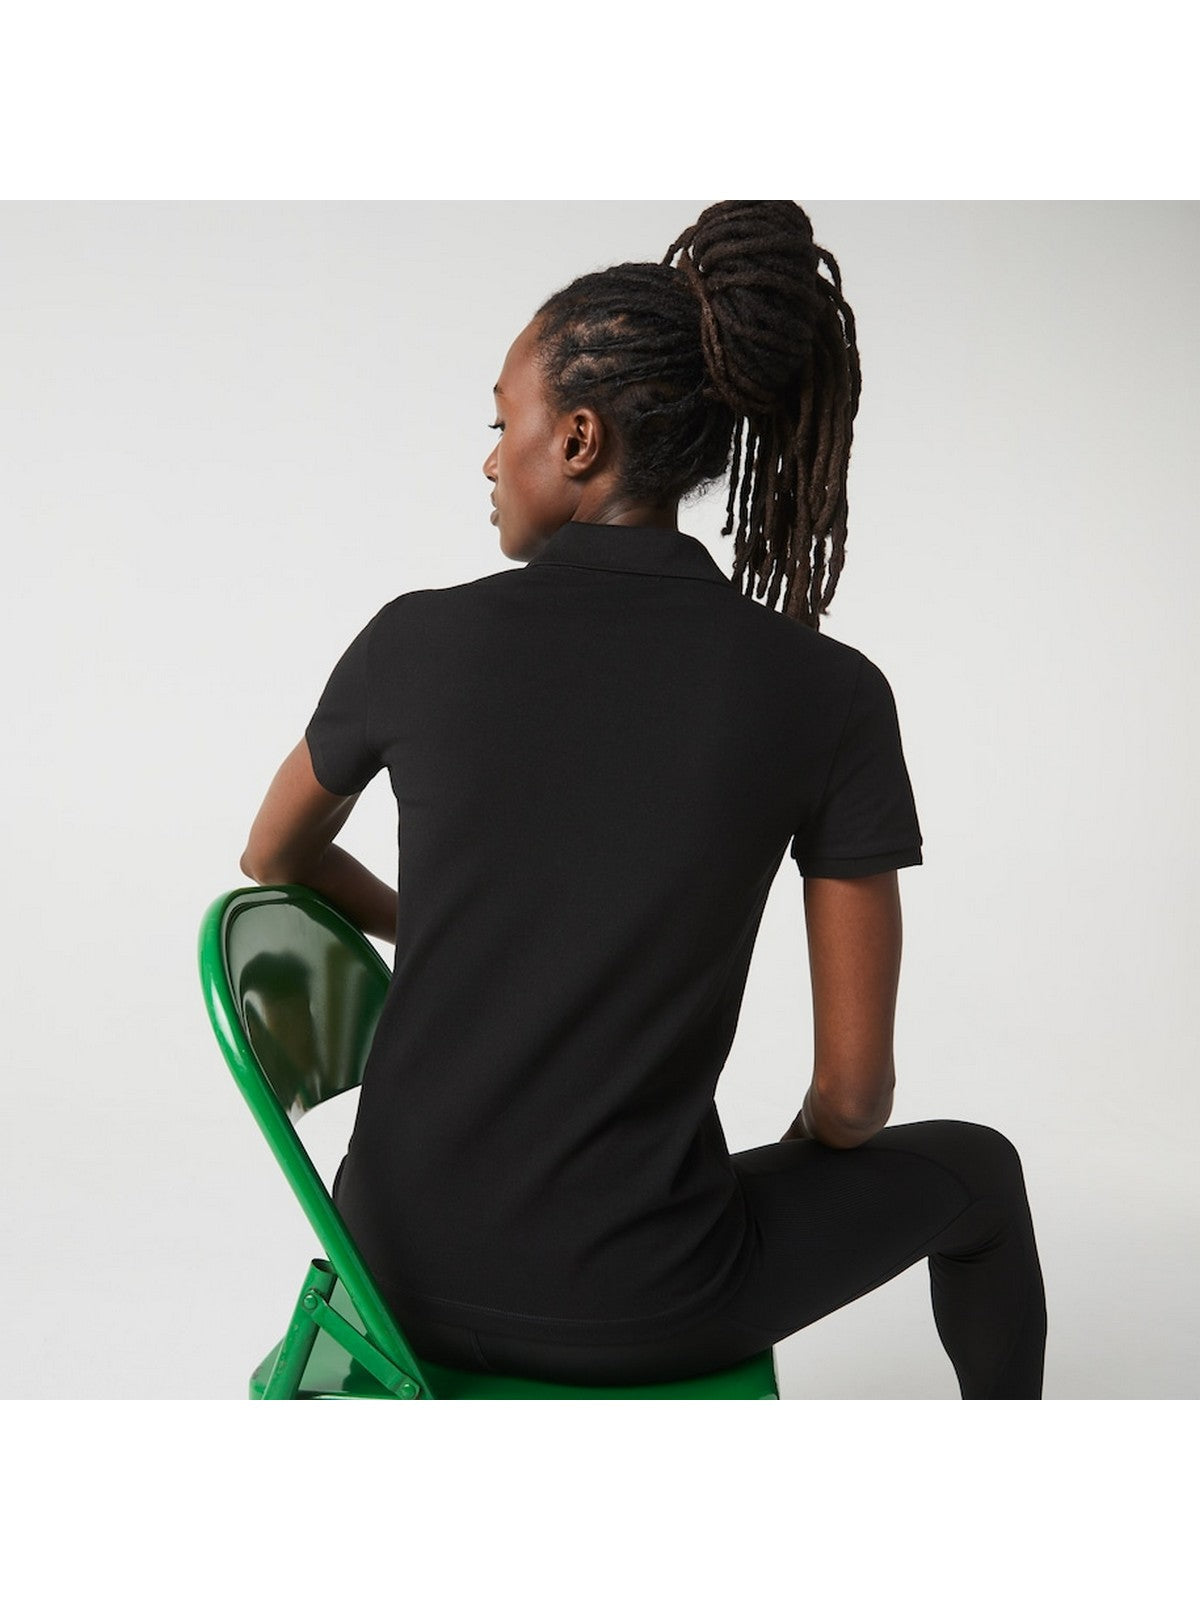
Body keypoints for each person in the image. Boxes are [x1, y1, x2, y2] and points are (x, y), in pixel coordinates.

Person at [240, 199, 1048, 1398]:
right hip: (636, 1301)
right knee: (982, 1173)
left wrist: (441, 929)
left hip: (386, 1273)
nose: (489, 458)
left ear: (578, 439)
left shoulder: (413, 640)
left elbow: (273, 858)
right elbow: (854, 1097)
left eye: (500, 422)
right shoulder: (826, 693)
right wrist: (801, 1163)